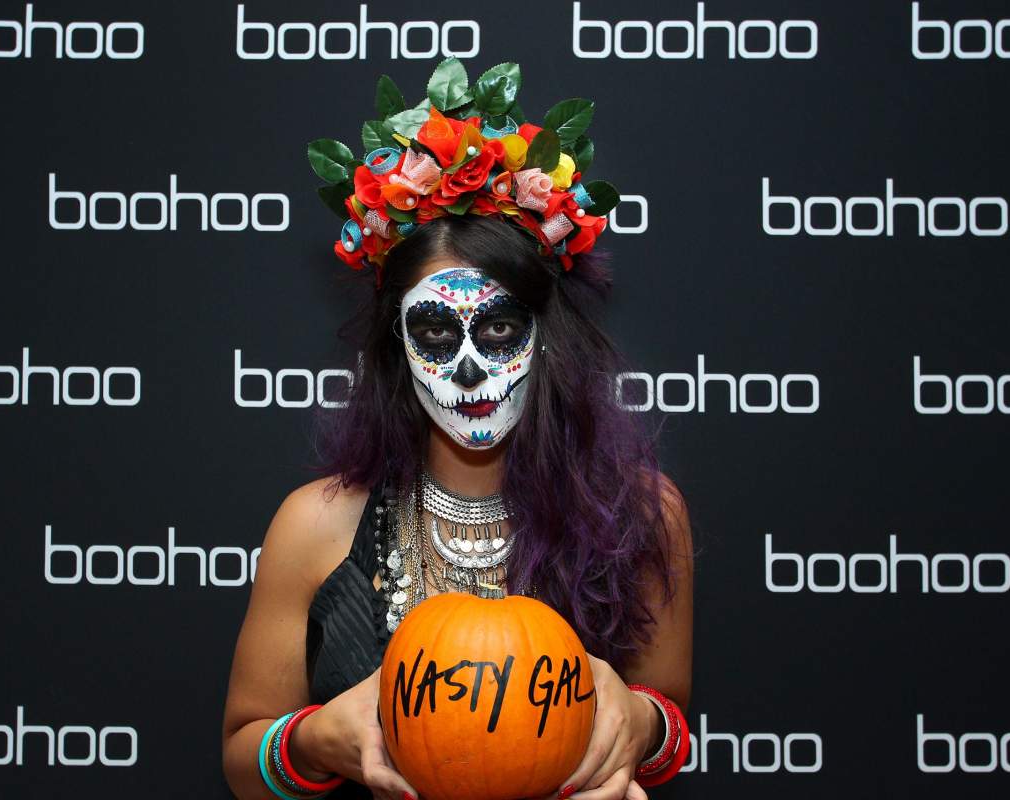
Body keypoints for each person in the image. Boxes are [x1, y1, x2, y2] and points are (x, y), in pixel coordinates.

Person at [221, 60, 694, 800]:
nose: (470, 370)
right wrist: (314, 740)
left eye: (500, 329)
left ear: (547, 338)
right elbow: (241, 760)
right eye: (437, 335)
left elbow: (671, 727)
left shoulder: (641, 513)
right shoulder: (315, 525)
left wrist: (641, 723)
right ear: (396, 351)